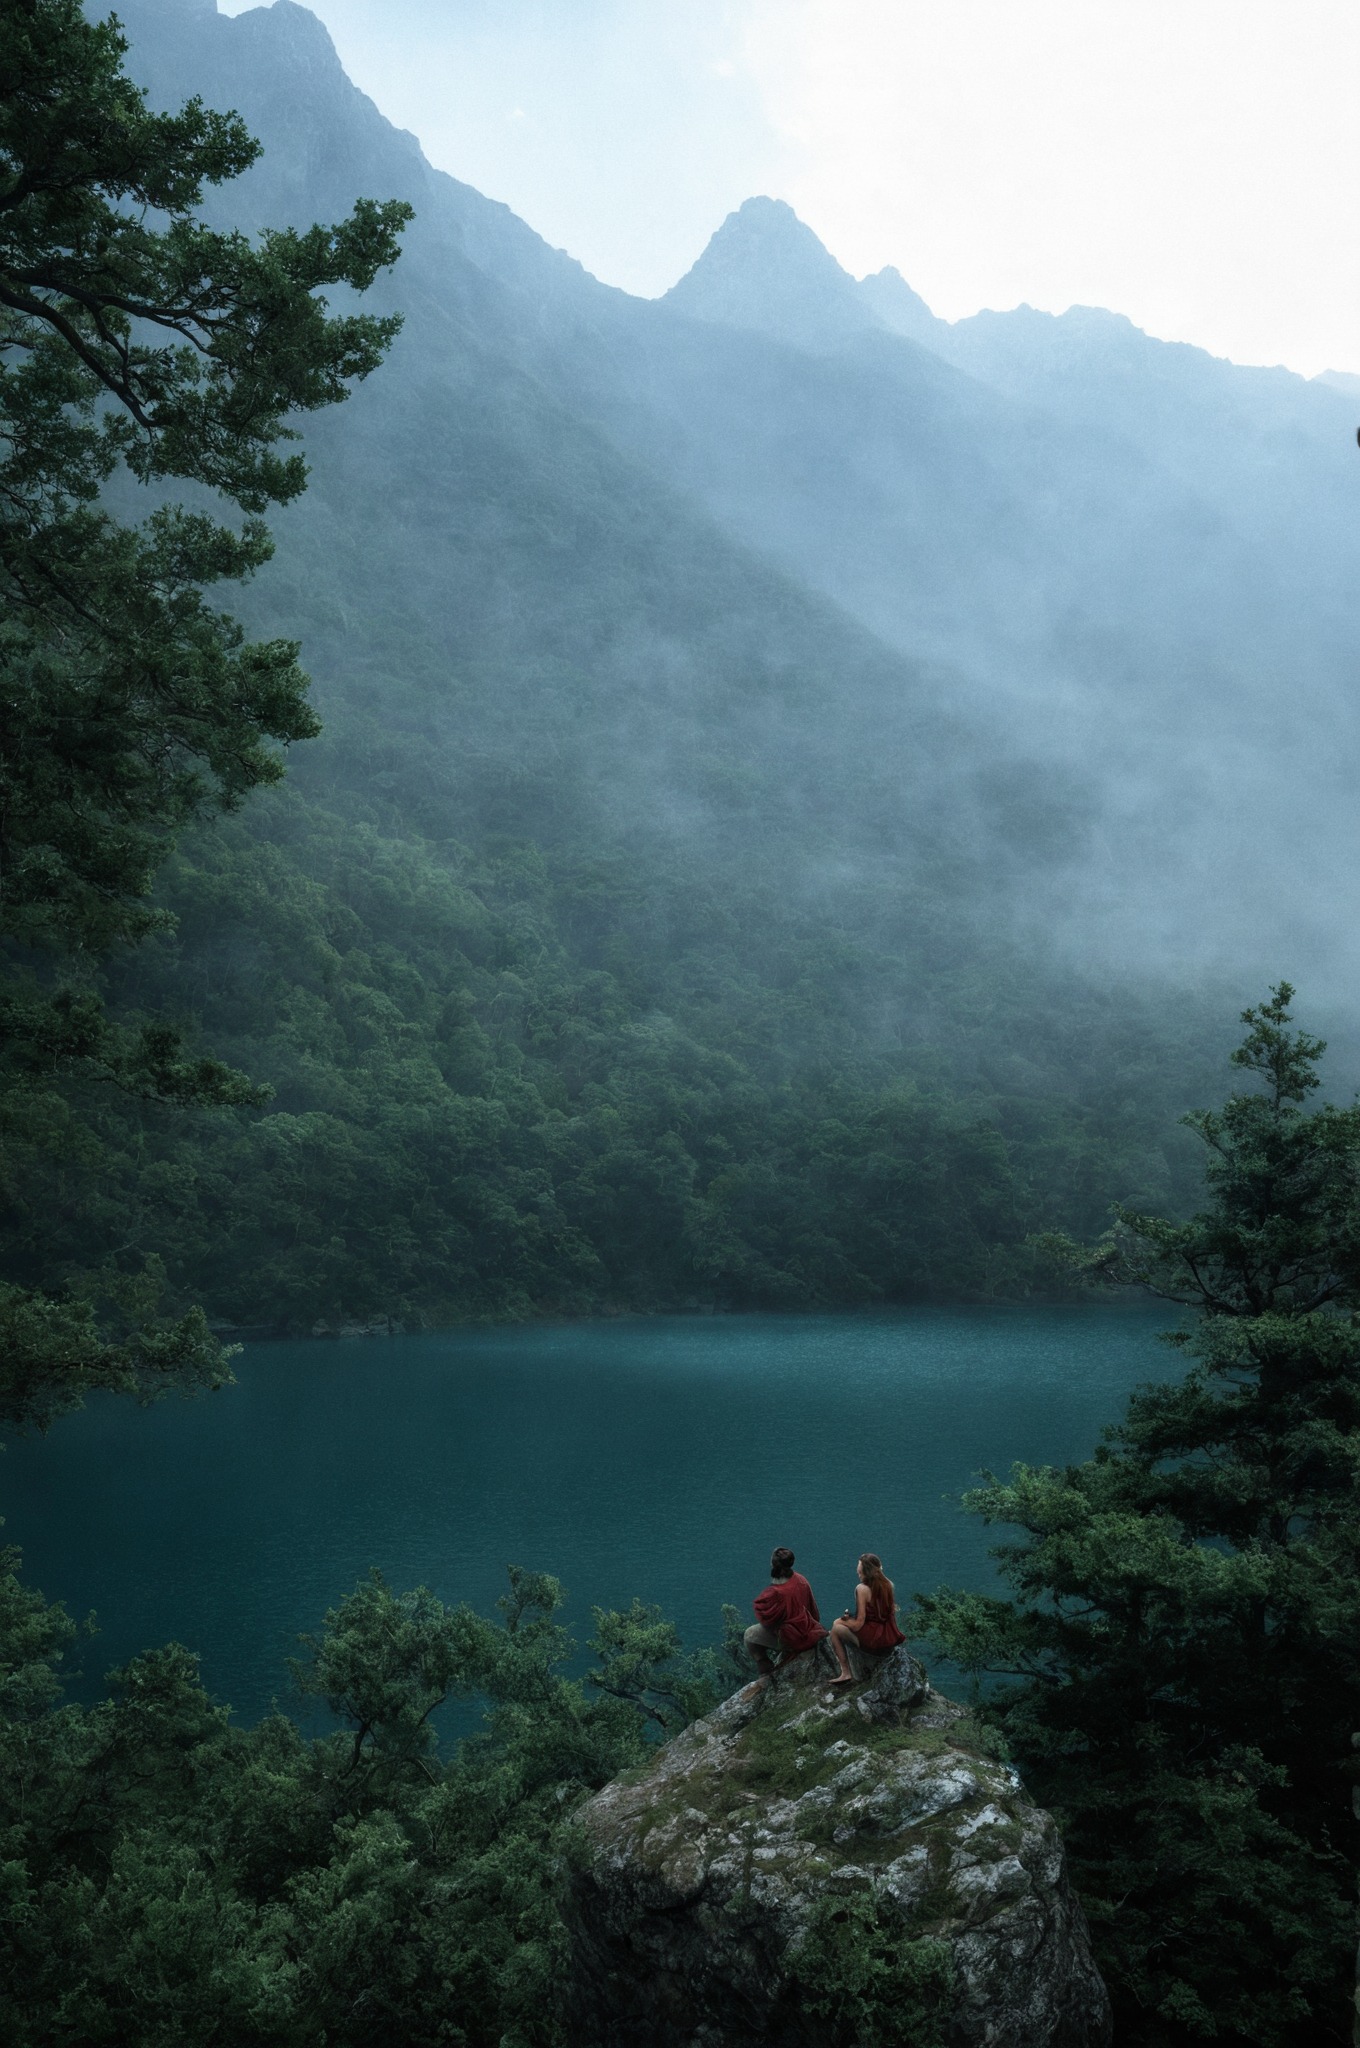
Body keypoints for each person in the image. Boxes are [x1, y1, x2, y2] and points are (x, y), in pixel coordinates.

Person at [743, 1546, 828, 1676]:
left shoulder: (775, 1592)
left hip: (792, 1639)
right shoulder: (801, 1580)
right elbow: (814, 1613)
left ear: (773, 1564)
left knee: (749, 1635)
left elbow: (767, 1620)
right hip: (810, 1630)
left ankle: (765, 1668)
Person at [828, 1552, 905, 1684]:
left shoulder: (862, 1589)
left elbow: (858, 1625)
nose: (858, 1574)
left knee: (835, 1628)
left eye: (860, 1572)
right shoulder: (888, 1584)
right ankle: (846, 1671)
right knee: (840, 1623)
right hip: (888, 1637)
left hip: (874, 1641)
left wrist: (843, 1621)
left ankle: (845, 1673)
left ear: (866, 1572)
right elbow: (879, 1614)